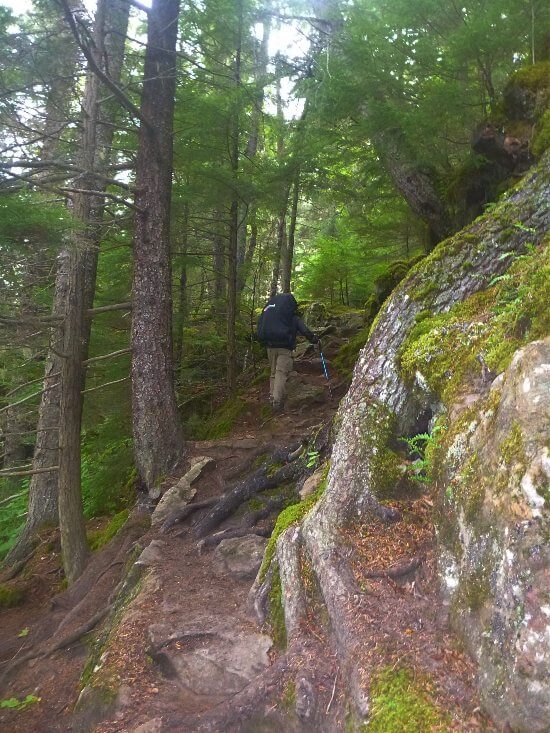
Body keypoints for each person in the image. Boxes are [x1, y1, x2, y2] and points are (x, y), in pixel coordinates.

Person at [256, 293, 319, 413]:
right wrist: (314, 340)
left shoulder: (271, 314)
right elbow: (305, 330)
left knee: (273, 372)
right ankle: (277, 403)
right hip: (285, 348)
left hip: (270, 347)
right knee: (281, 373)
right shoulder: (293, 318)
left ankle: (272, 397)